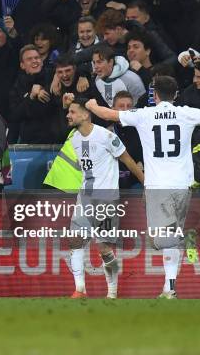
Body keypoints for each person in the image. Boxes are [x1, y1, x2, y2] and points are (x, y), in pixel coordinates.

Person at [85, 75, 200, 299]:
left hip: (158, 185)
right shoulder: (186, 112)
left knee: (160, 239)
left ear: (155, 95)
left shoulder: (145, 114)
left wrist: (91, 104)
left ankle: (185, 240)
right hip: (183, 184)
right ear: (175, 95)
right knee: (163, 238)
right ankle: (169, 287)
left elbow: (107, 114)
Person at [64, 96, 143, 299]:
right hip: (85, 197)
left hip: (106, 198)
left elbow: (128, 160)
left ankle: (112, 292)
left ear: (85, 114)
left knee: (104, 247)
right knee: (75, 241)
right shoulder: (74, 139)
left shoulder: (106, 136)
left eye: (72, 112)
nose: (68, 115)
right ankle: (79, 289)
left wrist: (146, 184)